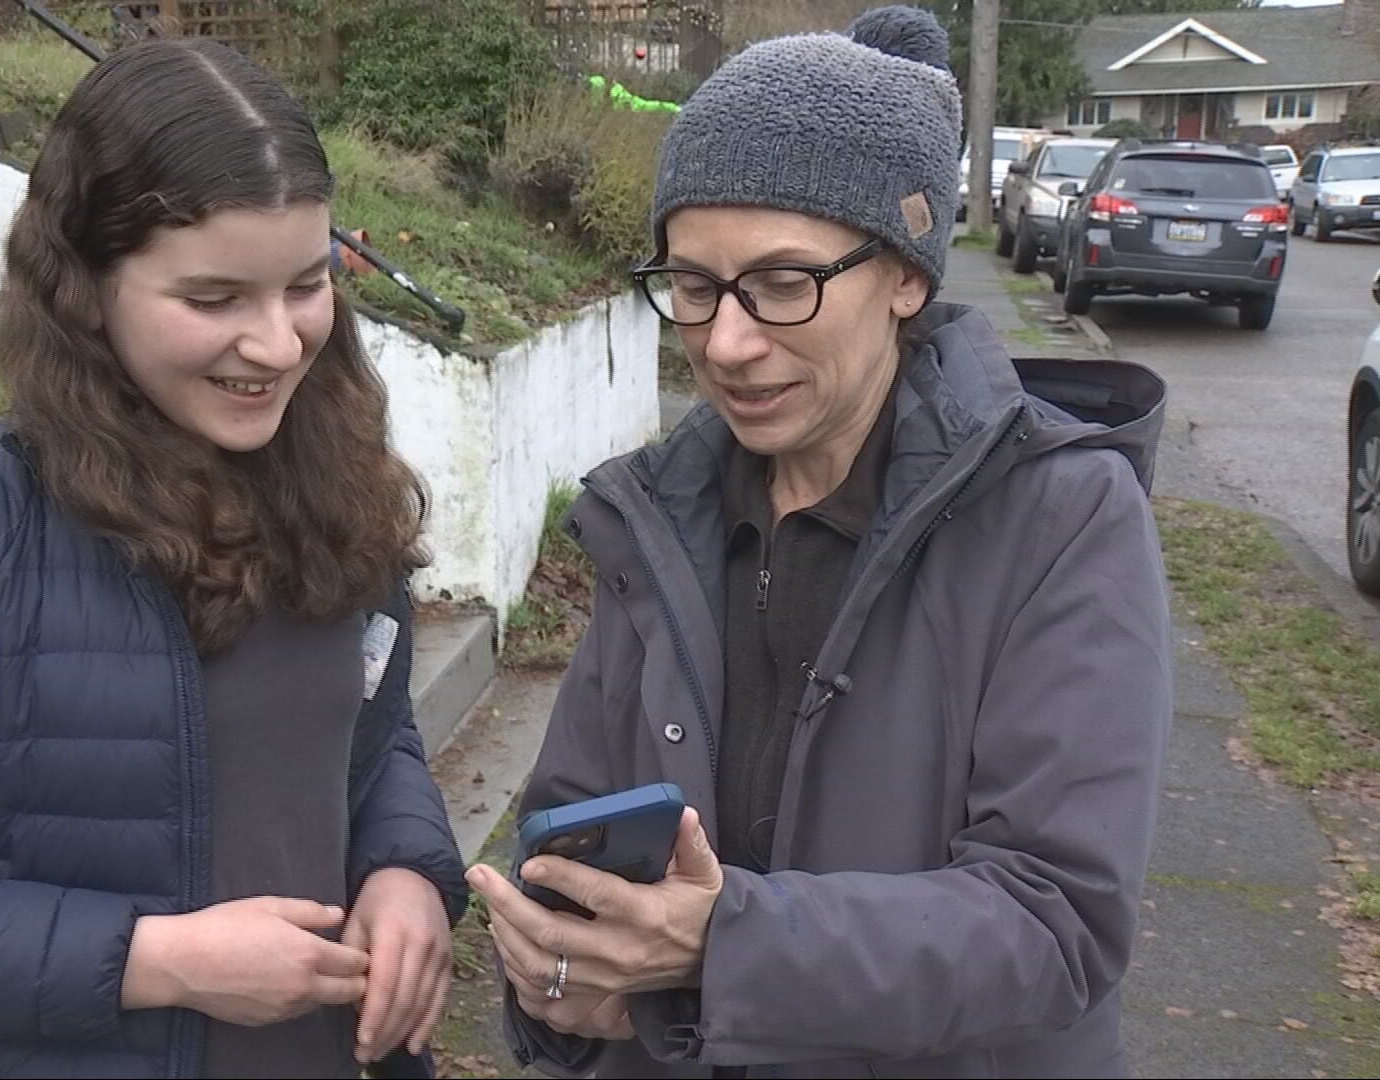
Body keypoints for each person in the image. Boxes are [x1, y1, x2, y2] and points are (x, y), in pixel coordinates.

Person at [466, 7, 1172, 1078]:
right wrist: (563, 973)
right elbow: (574, 822)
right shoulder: (658, 514)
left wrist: (719, 949)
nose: (728, 343)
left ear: (905, 277)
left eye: (783, 284)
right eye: (693, 287)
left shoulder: (1062, 518)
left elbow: (1055, 924)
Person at [0, 39, 467, 1079]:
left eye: (306, 286)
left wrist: (408, 871)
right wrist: (164, 961)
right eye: (215, 299)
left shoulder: (336, 490)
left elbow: (369, 734)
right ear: (87, 287)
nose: (278, 344)